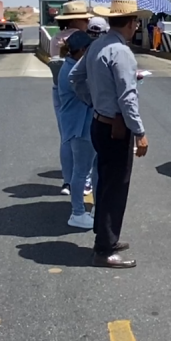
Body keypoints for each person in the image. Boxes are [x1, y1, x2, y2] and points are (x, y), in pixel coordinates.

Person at [70, 0, 150, 269]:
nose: (136, 25)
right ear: (130, 23)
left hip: (99, 123)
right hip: (117, 128)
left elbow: (75, 78)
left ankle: (105, 237)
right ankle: (104, 249)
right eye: (136, 21)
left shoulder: (96, 46)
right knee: (116, 187)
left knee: (105, 182)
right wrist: (139, 131)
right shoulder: (121, 52)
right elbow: (127, 98)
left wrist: (92, 100)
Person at [49, 0, 94, 195]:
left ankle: (67, 181)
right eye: (84, 19)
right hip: (79, 90)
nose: (87, 22)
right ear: (76, 20)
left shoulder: (55, 38)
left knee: (66, 137)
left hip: (59, 89)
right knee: (85, 137)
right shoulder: (80, 39)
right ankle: (84, 179)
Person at [57, 31, 97, 229]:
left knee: (95, 168)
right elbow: (90, 94)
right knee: (81, 171)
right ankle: (78, 212)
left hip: (83, 124)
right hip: (81, 126)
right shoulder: (73, 73)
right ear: (81, 51)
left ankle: (94, 207)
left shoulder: (72, 66)